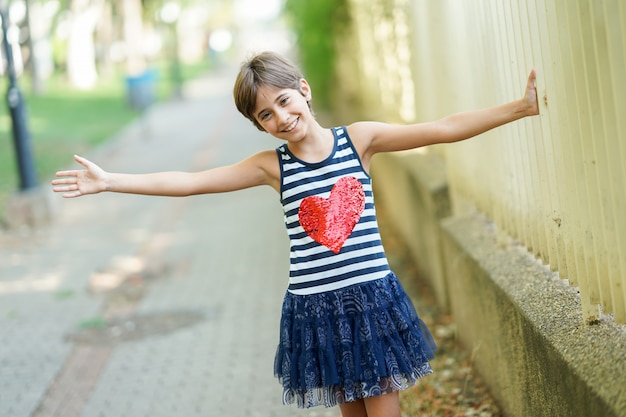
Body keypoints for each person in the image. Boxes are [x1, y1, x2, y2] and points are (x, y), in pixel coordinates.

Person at [52, 51, 539, 417]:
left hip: (368, 302)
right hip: (317, 309)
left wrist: (518, 109)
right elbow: (190, 183)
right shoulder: (272, 167)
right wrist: (111, 180)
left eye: (283, 101)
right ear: (258, 125)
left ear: (303, 90)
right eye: (266, 115)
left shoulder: (359, 140)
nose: (281, 118)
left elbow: (442, 128)